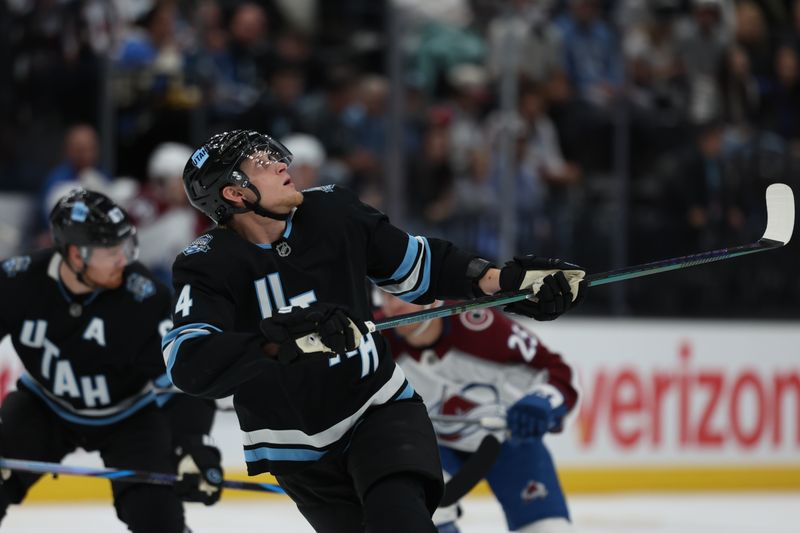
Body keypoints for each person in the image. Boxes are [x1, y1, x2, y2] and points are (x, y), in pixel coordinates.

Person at [165, 129, 586, 532]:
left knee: (400, 522)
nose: (279, 164)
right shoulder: (204, 264)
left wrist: (506, 282)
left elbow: (421, 267)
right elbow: (190, 364)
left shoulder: (333, 211)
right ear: (235, 194)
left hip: (380, 410)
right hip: (294, 449)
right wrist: (278, 344)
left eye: (274, 154)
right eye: (260, 162)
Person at [0, 189, 222, 532]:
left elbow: (184, 376)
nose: (125, 259)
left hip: (129, 416)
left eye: (126, 246)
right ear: (75, 255)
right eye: (112, 250)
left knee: (158, 518)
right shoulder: (17, 281)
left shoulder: (145, 298)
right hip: (43, 407)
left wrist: (193, 444)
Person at [379, 293, 578, 533]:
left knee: (548, 529)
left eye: (403, 294)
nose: (393, 304)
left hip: (509, 441)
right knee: (418, 517)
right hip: (432, 446)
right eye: (384, 295)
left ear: (432, 296)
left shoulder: (480, 325)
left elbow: (555, 370)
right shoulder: (377, 338)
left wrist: (540, 402)